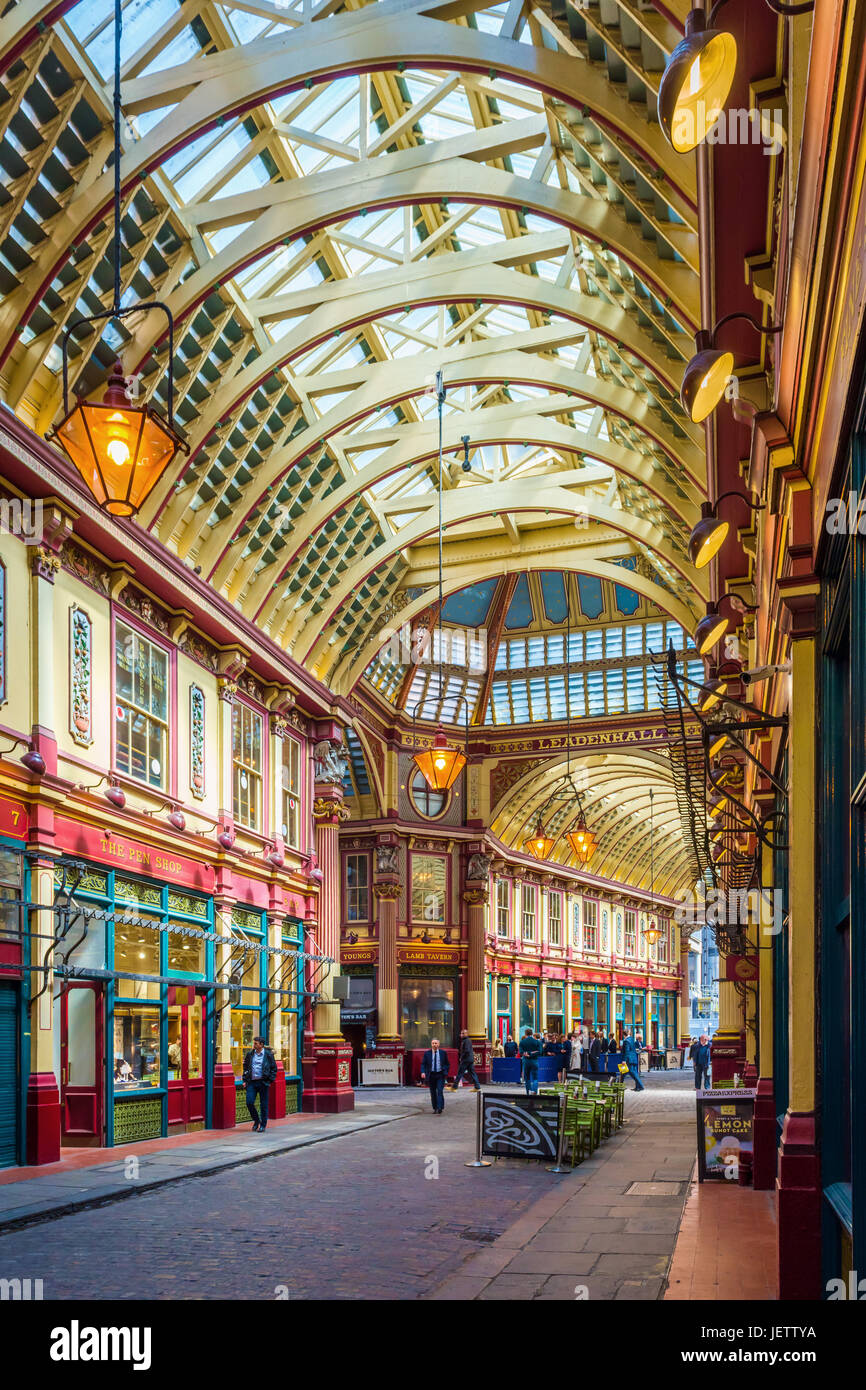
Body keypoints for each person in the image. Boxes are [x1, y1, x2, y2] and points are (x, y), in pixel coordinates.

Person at [242, 1035, 278, 1131]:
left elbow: (274, 1069)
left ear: (261, 1045)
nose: (253, 1045)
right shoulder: (250, 1054)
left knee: (263, 1105)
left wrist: (269, 1080)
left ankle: (263, 1125)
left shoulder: (268, 1055)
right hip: (252, 1083)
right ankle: (256, 1120)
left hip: (263, 1083)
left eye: (255, 1043)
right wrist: (245, 1080)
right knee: (249, 1102)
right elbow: (246, 1067)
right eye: (254, 1043)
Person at [420, 1037, 450, 1114]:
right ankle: (435, 1107)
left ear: (438, 1044)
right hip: (431, 1075)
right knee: (433, 1092)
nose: (434, 1045)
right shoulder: (427, 1053)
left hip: (440, 1074)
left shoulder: (443, 1053)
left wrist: (445, 1071)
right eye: (433, 1043)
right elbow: (423, 1064)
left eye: (436, 1043)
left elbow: (447, 1064)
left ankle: (440, 1107)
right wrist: (423, 1072)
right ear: (431, 1044)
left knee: (440, 1091)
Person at [519, 1026, 541, 1095]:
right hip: (534, 1061)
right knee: (535, 1078)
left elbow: (521, 1052)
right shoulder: (537, 1042)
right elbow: (540, 1052)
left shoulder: (522, 1042)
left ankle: (528, 1092)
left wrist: (526, 1054)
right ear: (532, 1033)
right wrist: (531, 1054)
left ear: (525, 1034)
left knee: (527, 1077)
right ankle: (534, 1091)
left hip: (526, 1061)